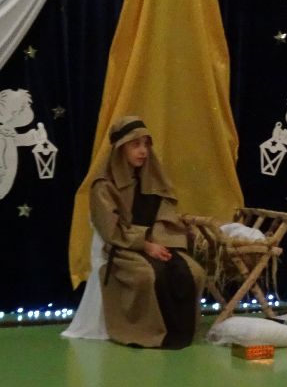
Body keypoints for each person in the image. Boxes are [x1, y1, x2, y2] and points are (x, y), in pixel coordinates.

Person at [88, 115, 205, 349]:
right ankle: (148, 332)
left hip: (158, 242)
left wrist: (161, 241)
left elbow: (166, 215)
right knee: (146, 276)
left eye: (146, 145)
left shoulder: (153, 179)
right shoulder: (103, 185)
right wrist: (145, 245)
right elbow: (112, 230)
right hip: (124, 246)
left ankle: (181, 330)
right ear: (121, 148)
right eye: (135, 145)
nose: (143, 151)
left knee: (194, 272)